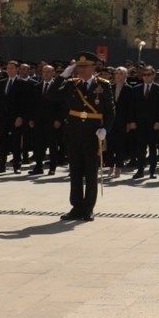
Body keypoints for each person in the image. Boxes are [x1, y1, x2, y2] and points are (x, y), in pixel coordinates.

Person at [51, 52, 113, 222]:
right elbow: (51, 95)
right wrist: (63, 75)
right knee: (76, 171)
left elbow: (109, 111)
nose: (81, 69)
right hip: (74, 132)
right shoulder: (71, 84)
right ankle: (76, 206)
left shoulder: (103, 85)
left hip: (93, 133)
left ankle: (88, 208)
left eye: (85, 66)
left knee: (91, 172)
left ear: (94, 67)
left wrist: (105, 129)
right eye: (79, 66)